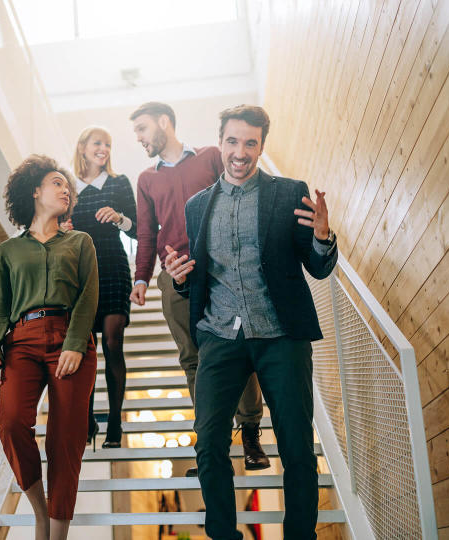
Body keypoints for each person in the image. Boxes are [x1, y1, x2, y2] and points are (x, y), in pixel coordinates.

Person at [164, 105, 337, 539]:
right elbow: (198, 278)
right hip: (220, 335)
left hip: (281, 335)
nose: (240, 152)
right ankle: (224, 535)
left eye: (250, 143)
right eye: (233, 141)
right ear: (219, 142)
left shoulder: (287, 192)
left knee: (296, 444)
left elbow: (317, 268)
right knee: (208, 443)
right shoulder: (196, 207)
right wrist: (180, 280)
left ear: (262, 145)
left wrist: (321, 238)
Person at [128, 102, 268, 475]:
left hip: (220, 270)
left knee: (240, 350)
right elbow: (146, 232)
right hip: (175, 277)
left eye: (142, 129)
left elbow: (240, 193)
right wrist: (141, 277)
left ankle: (251, 431)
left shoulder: (210, 157)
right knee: (193, 360)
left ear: (163, 122)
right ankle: (211, 443)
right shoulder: (146, 179)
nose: (139, 139)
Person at [0, 155, 99, 540]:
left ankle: (57, 532)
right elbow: (0, 303)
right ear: (35, 191)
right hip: (22, 341)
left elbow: (88, 295)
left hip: (70, 337)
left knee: (66, 438)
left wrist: (75, 343)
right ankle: (40, 509)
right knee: (12, 422)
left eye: (67, 185)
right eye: (56, 182)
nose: (65, 188)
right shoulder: (9, 251)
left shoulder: (80, 242)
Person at [65, 126, 137, 449]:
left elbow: (138, 229)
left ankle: (115, 426)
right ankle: (87, 419)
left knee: (112, 342)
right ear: (83, 147)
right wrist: (62, 228)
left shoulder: (119, 183)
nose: (104, 148)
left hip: (114, 267)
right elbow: (55, 228)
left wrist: (120, 217)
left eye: (108, 144)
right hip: (81, 272)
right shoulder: (69, 187)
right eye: (98, 143)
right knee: (87, 349)